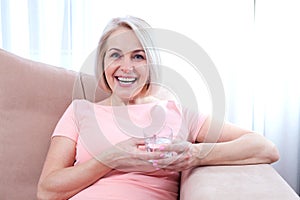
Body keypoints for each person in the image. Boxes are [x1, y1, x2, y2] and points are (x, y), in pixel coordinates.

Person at [37, 16, 279, 200]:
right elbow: (47, 190)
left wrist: (194, 154)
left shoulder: (179, 113)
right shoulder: (80, 111)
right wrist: (111, 158)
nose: (126, 67)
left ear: (151, 64)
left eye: (138, 57)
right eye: (115, 55)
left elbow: (265, 148)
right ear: (102, 63)